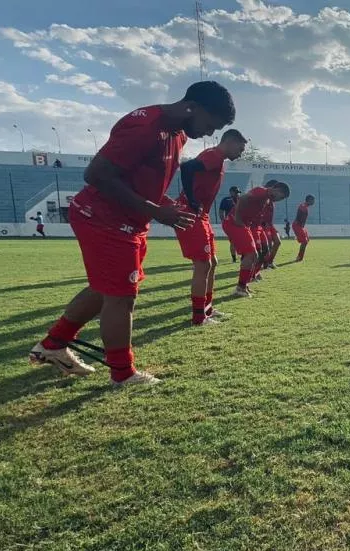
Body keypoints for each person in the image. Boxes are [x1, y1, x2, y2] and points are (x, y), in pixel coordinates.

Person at [29, 80, 235, 386]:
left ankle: (54, 344)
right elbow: (96, 174)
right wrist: (155, 210)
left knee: (105, 289)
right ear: (192, 107)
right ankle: (123, 374)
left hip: (130, 221)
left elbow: (141, 181)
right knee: (122, 297)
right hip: (103, 217)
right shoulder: (146, 126)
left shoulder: (177, 134)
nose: (209, 133)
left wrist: (163, 205)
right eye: (209, 124)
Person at [175, 128, 246, 326]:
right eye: (240, 148)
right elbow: (187, 167)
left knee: (212, 263)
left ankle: (207, 309)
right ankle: (199, 317)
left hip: (201, 215)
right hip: (192, 214)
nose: (240, 153)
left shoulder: (218, 159)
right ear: (230, 142)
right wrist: (191, 199)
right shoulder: (214, 155)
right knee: (203, 264)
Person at [224, 181, 290, 297]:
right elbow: (243, 198)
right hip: (234, 223)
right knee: (251, 254)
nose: (280, 199)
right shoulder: (261, 191)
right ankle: (241, 287)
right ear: (276, 189)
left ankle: (244, 285)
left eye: (282, 198)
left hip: (245, 225)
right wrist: (238, 218)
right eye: (281, 196)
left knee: (253, 254)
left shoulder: (267, 199)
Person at [218, 186, 240, 263]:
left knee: (241, 240)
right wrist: (223, 221)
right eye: (236, 192)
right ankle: (234, 258)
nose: (237, 194)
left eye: (238, 193)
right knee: (233, 241)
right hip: (231, 224)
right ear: (231, 192)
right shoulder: (226, 200)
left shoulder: (240, 200)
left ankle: (242, 255)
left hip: (240, 224)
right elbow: (221, 211)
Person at [292, 194, 316, 262]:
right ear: (309, 200)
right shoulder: (303, 207)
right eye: (313, 200)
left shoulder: (305, 206)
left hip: (300, 226)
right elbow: (300, 216)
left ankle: (300, 257)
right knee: (304, 241)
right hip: (298, 225)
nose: (314, 202)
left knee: (306, 240)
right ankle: (299, 257)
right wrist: (299, 230)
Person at [260, 199, 281, 269]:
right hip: (264, 225)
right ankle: (265, 263)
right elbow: (259, 212)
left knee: (277, 242)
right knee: (268, 245)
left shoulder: (271, 202)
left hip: (270, 225)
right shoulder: (264, 200)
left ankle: (270, 262)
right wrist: (263, 223)